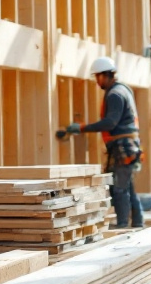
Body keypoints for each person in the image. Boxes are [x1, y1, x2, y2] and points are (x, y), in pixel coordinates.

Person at [62, 56, 144, 228]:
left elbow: (110, 123)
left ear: (106, 75)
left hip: (123, 147)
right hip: (129, 146)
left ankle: (122, 225)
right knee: (128, 186)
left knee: (120, 189)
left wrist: (81, 128)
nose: (97, 81)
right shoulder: (124, 89)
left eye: (98, 76)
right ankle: (137, 222)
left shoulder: (114, 94)